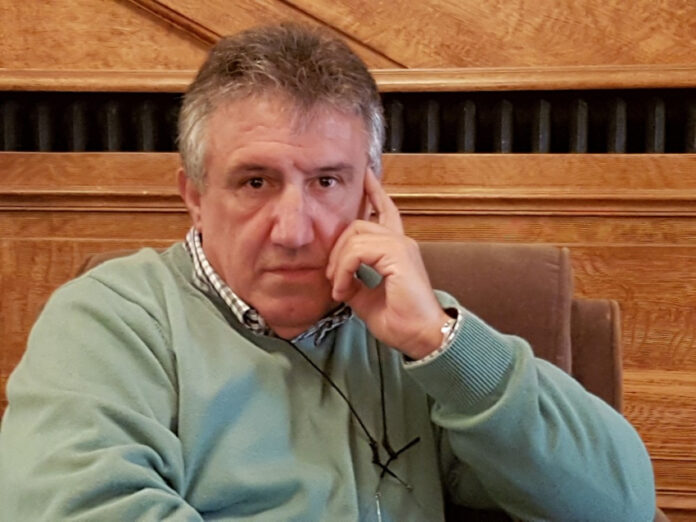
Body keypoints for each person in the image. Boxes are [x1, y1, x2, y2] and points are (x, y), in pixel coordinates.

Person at [0, 23, 655, 521]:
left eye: (327, 181)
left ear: (371, 196)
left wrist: (439, 343)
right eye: (255, 182)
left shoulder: (413, 328)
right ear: (194, 196)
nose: (293, 229)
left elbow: (619, 506)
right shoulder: (108, 321)